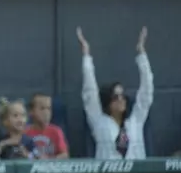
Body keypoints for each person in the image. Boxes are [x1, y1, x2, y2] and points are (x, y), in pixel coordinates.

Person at [76, 26, 154, 160]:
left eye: (122, 96)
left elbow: (146, 93)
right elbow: (90, 92)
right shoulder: (99, 121)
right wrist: (86, 56)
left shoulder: (135, 121)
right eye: (115, 96)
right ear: (107, 101)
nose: (120, 99)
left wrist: (141, 54)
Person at [24, 94, 69, 158]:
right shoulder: (25, 132)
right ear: (31, 111)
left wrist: (48, 160)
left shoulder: (56, 131)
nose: (46, 113)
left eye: (49, 108)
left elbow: (64, 155)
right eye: (42, 108)